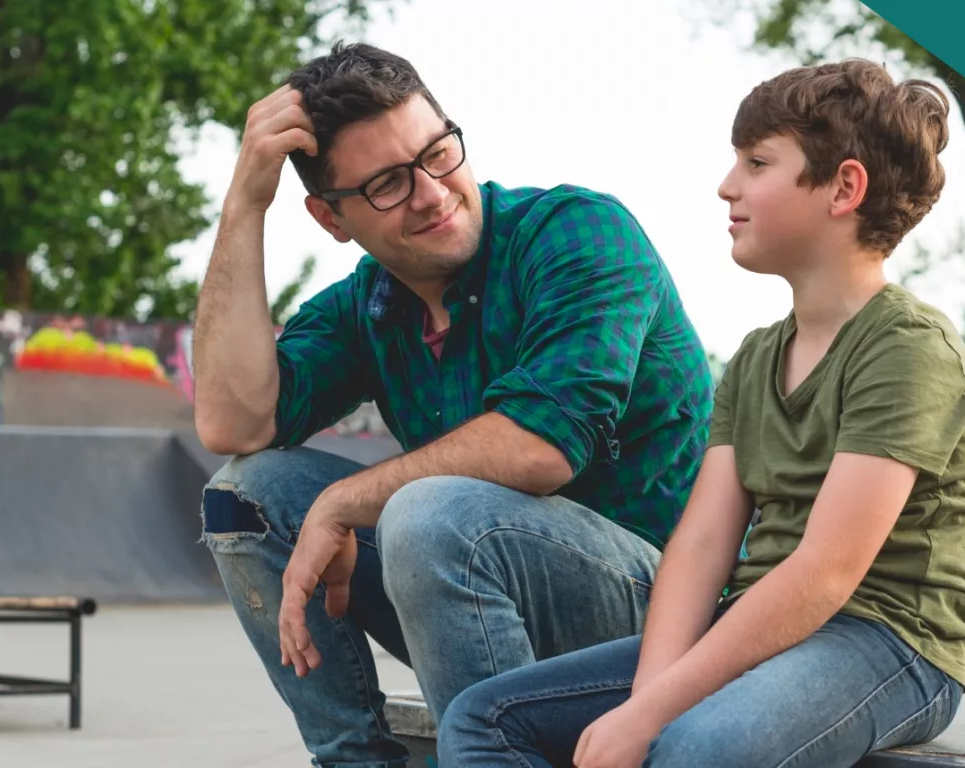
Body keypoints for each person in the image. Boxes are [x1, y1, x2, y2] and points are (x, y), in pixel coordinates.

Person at [437, 58, 965, 768]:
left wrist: (658, 714)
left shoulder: (910, 350)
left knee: (698, 746)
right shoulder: (758, 356)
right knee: (484, 719)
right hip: (756, 620)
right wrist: (645, 701)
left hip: (889, 640)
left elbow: (825, 571)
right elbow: (701, 547)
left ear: (844, 187)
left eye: (757, 162)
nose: (727, 185)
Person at [190, 42, 714, 768]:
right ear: (330, 219)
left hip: (668, 612)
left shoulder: (575, 233)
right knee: (244, 495)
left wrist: (345, 502)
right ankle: (355, 761)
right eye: (387, 185)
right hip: (487, 587)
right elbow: (231, 423)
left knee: (431, 512)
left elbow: (541, 446)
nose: (432, 192)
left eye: (438, 153)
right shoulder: (368, 306)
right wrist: (245, 203)